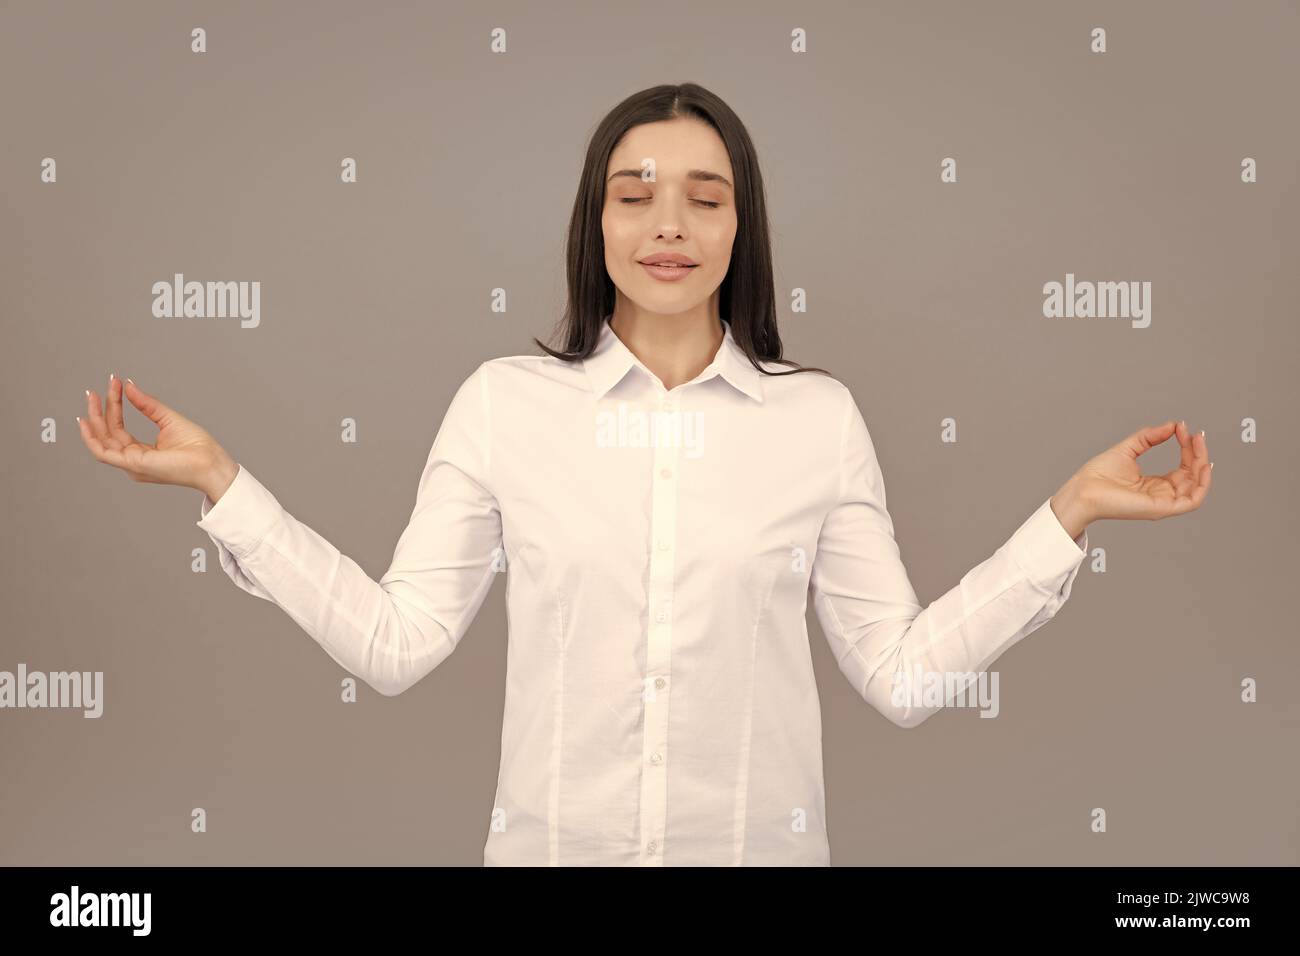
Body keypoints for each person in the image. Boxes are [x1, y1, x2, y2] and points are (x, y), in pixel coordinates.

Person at [76, 83, 1212, 866]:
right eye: (635, 194)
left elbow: (903, 674)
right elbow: (392, 641)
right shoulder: (503, 404)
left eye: (704, 198)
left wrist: (1072, 512)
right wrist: (225, 483)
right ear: (597, 218)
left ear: (738, 226)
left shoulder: (816, 420)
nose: (668, 225)